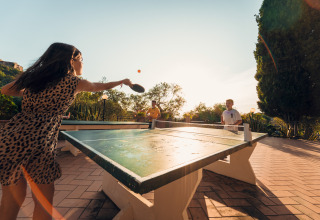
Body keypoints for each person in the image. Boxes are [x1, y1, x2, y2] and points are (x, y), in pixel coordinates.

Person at [0, 42, 133, 220]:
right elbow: (99, 86)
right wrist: (121, 82)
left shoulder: (36, 80)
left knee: (13, 198)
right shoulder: (74, 82)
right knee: (43, 202)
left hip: (12, 138)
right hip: (41, 143)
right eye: (81, 59)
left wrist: (33, 92)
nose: (83, 63)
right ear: (72, 60)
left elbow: (5, 89)